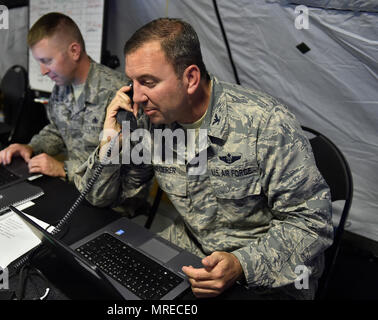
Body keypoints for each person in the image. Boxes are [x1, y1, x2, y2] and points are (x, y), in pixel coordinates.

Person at [82, 18, 333, 299]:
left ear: (190, 78)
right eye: (132, 82)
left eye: (148, 82)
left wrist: (242, 265)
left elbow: (312, 222)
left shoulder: (266, 124)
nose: (137, 96)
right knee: (105, 285)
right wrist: (109, 143)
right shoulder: (150, 122)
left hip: (266, 269)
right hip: (192, 247)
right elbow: (111, 199)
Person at [0, 12, 128, 194]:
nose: (42, 71)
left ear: (74, 51)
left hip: (108, 198)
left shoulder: (118, 93)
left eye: (47, 61)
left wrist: (64, 169)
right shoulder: (62, 86)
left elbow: (124, 166)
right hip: (74, 185)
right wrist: (31, 147)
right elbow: (58, 130)